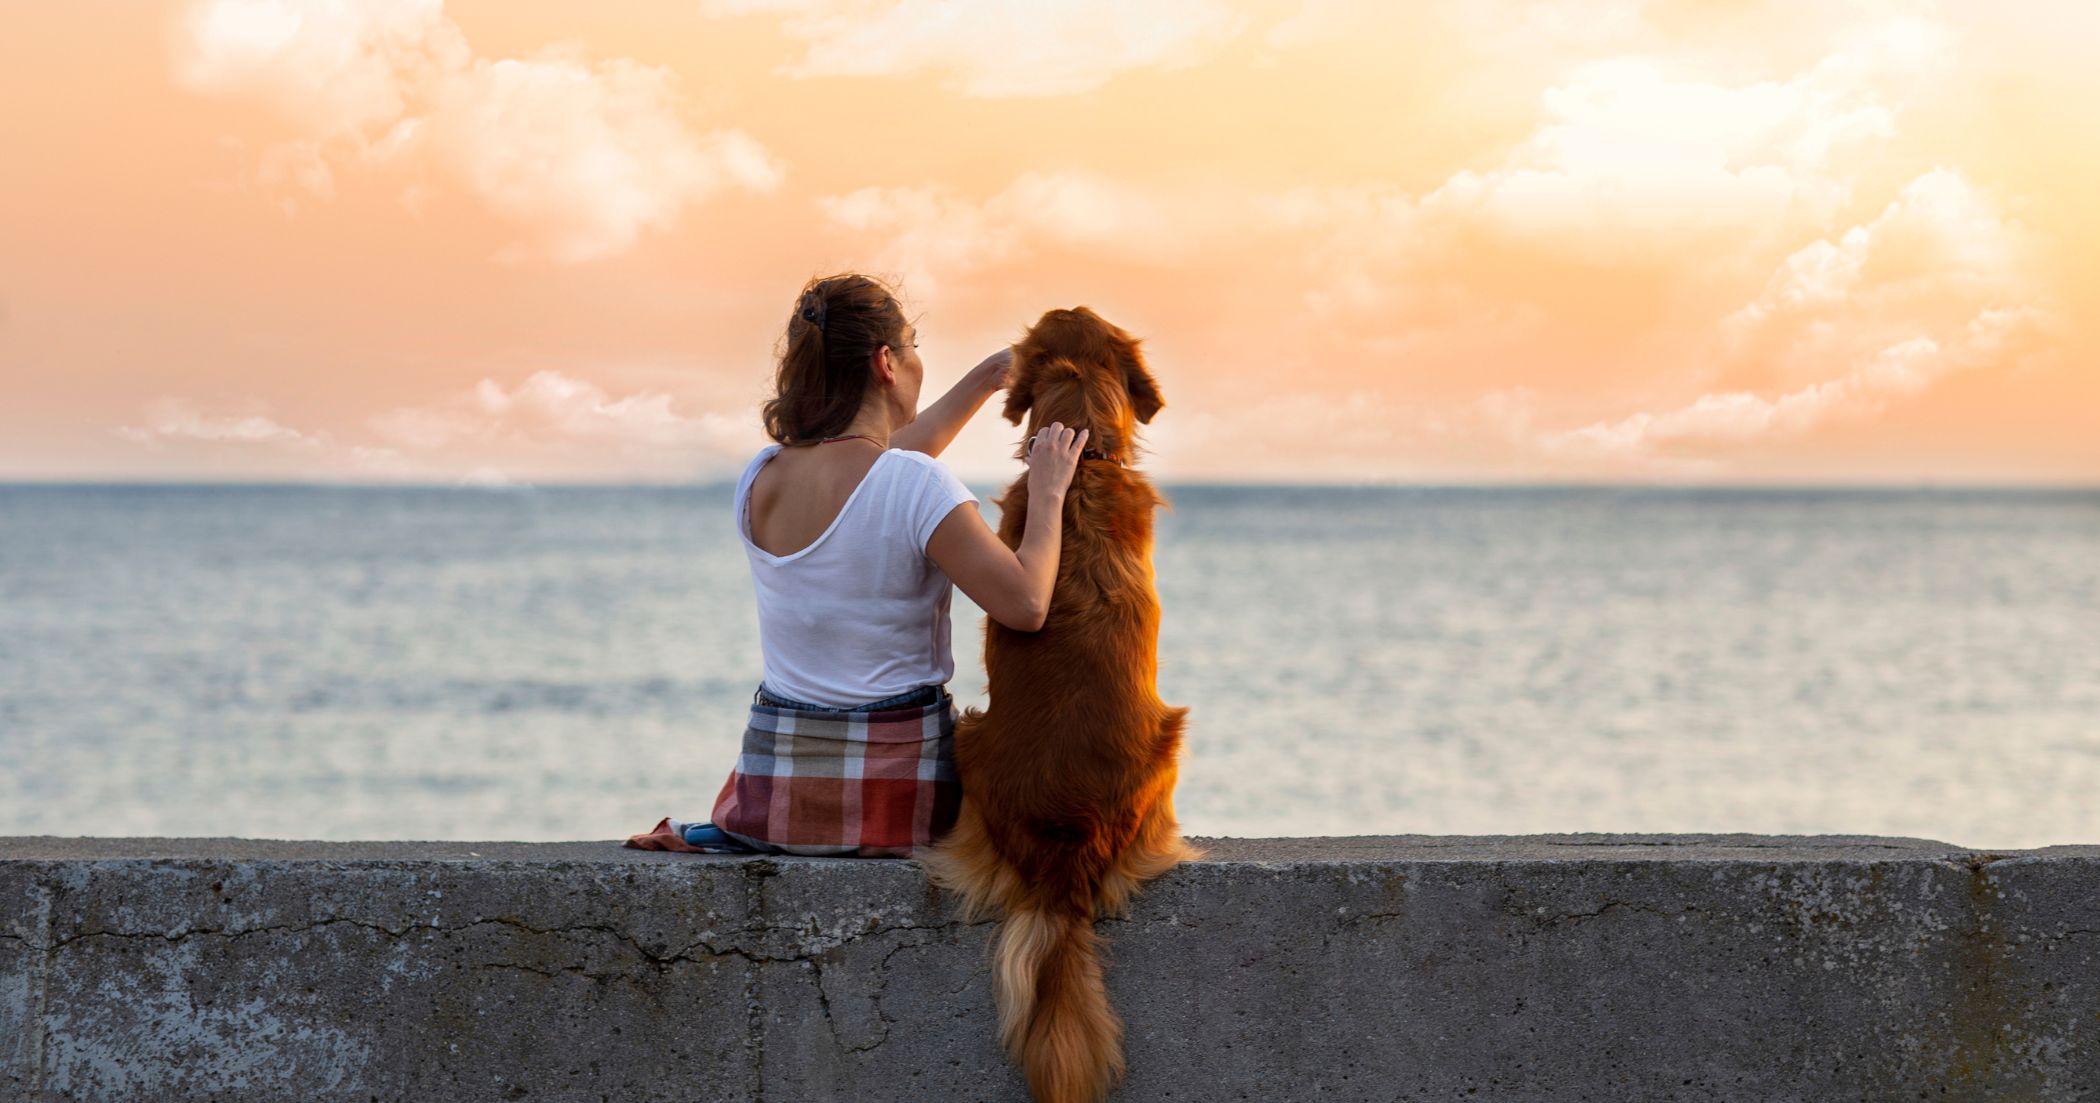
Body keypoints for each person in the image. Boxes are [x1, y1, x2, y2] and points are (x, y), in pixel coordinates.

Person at [633, 273, 1086, 856]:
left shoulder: (761, 476)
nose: (920, 363)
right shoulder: (914, 484)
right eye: (914, 347)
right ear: (886, 363)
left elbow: (879, 473)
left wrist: (984, 379)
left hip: (773, 804)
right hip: (895, 809)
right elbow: (1025, 605)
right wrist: (1048, 489)